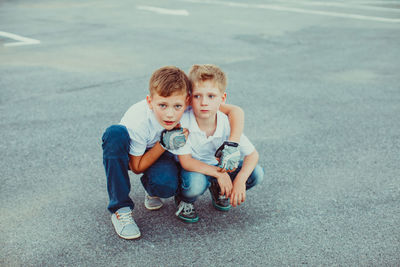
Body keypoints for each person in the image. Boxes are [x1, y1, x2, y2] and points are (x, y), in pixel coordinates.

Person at [101, 66, 244, 239]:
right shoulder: (138, 122)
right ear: (149, 102)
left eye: (177, 106)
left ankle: (152, 187)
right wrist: (162, 144)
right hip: (136, 152)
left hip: (164, 151)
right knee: (114, 134)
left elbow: (236, 111)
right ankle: (120, 209)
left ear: (187, 101)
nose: (170, 114)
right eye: (162, 105)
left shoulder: (191, 104)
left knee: (166, 185)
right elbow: (136, 167)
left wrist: (232, 143)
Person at [169, 64, 264, 223]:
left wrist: (240, 179)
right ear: (189, 98)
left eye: (211, 96)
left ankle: (218, 188)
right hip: (195, 169)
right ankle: (184, 199)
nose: (204, 102)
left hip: (218, 167)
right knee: (195, 184)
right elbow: (186, 162)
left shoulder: (226, 122)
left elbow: (252, 155)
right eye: (197, 96)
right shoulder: (184, 122)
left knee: (256, 173)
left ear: (223, 98)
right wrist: (219, 173)